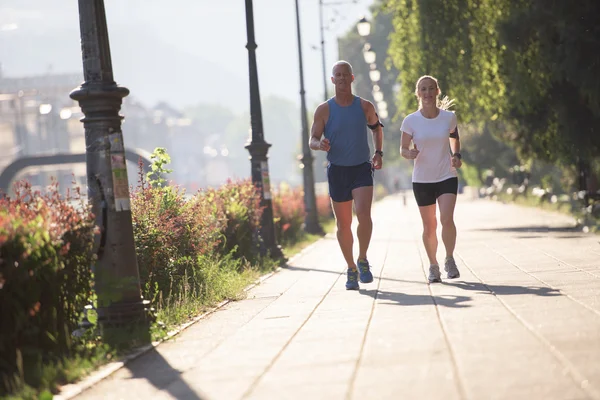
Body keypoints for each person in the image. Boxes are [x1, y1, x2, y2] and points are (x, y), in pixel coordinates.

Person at [309, 60, 384, 290]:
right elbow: (312, 140)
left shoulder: (364, 106)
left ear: (352, 78)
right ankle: (351, 268)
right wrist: (320, 144)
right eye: (337, 75)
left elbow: (377, 128)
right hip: (337, 170)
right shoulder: (324, 110)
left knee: (364, 214)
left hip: (361, 167)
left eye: (345, 74)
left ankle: (362, 259)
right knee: (343, 224)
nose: (341, 78)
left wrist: (379, 153)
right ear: (333, 80)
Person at [400, 75, 462, 283]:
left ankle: (450, 259)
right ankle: (433, 265)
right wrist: (408, 154)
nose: (427, 93)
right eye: (423, 89)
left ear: (437, 91)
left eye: (431, 89)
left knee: (447, 219)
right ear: (418, 94)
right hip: (422, 179)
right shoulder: (410, 121)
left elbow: (454, 137)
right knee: (430, 226)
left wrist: (456, 156)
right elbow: (403, 148)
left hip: (446, 175)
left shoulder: (448, 117)